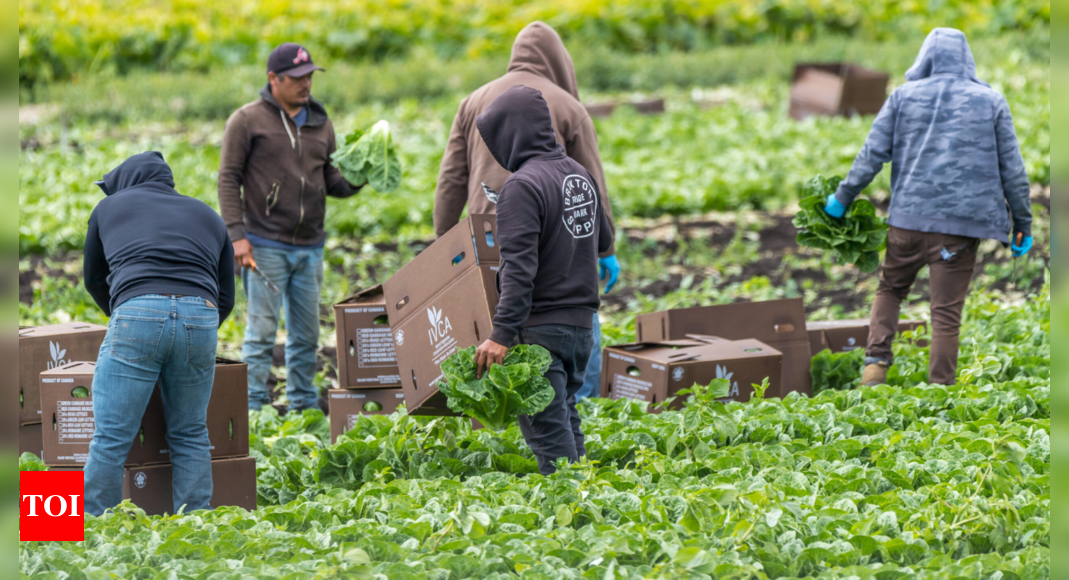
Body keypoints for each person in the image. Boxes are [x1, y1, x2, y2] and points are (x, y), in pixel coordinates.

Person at [826, 28, 1034, 386]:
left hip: (907, 222)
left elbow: (872, 154)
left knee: (891, 289)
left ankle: (875, 367)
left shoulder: (903, 97)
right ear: (966, 59)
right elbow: (1012, 171)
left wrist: (842, 198)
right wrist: (1023, 223)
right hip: (959, 230)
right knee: (945, 313)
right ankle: (940, 391)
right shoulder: (991, 101)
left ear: (924, 59)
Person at [434, 21, 620, 401]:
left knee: (491, 339)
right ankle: (573, 411)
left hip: (485, 242)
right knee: (562, 337)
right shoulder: (568, 105)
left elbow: (452, 179)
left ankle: (506, 433)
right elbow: (591, 187)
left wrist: (445, 244)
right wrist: (605, 248)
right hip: (558, 244)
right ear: (560, 62)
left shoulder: (474, 101)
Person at [82, 151, 235, 516]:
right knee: (190, 432)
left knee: (111, 437)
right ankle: (195, 522)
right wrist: (196, 328)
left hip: (137, 310)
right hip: (201, 316)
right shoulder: (208, 214)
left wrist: (128, 315)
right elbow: (226, 294)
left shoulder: (109, 208)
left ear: (124, 182)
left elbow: (93, 278)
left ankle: (89, 525)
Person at [472, 85, 614, 475]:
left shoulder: (523, 186)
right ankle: (591, 500)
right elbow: (603, 239)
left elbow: (519, 268)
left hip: (540, 333)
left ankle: (575, 518)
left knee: (548, 435)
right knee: (565, 416)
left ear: (512, 134)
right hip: (581, 327)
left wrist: (501, 334)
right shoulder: (578, 173)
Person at [218, 43, 361, 412]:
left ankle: (301, 403)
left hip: (310, 246)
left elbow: (331, 180)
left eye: (309, 76)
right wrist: (237, 235)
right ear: (273, 79)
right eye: (297, 78)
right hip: (264, 243)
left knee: (306, 333)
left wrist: (360, 176)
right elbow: (228, 178)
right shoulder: (247, 120)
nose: (305, 83)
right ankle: (252, 405)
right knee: (262, 331)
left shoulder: (320, 122)